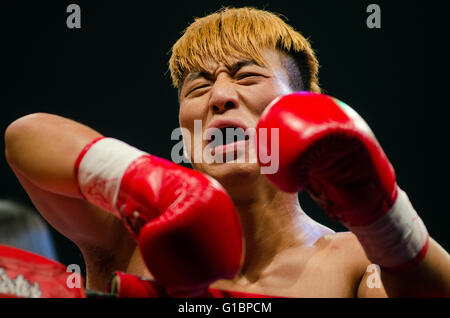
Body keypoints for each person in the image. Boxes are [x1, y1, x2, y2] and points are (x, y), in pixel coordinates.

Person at [4, 7, 450, 297]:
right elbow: (25, 137)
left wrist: (383, 223)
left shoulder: (354, 260)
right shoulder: (127, 242)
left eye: (247, 76)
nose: (219, 95)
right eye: (197, 86)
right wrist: (140, 178)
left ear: (303, 107)